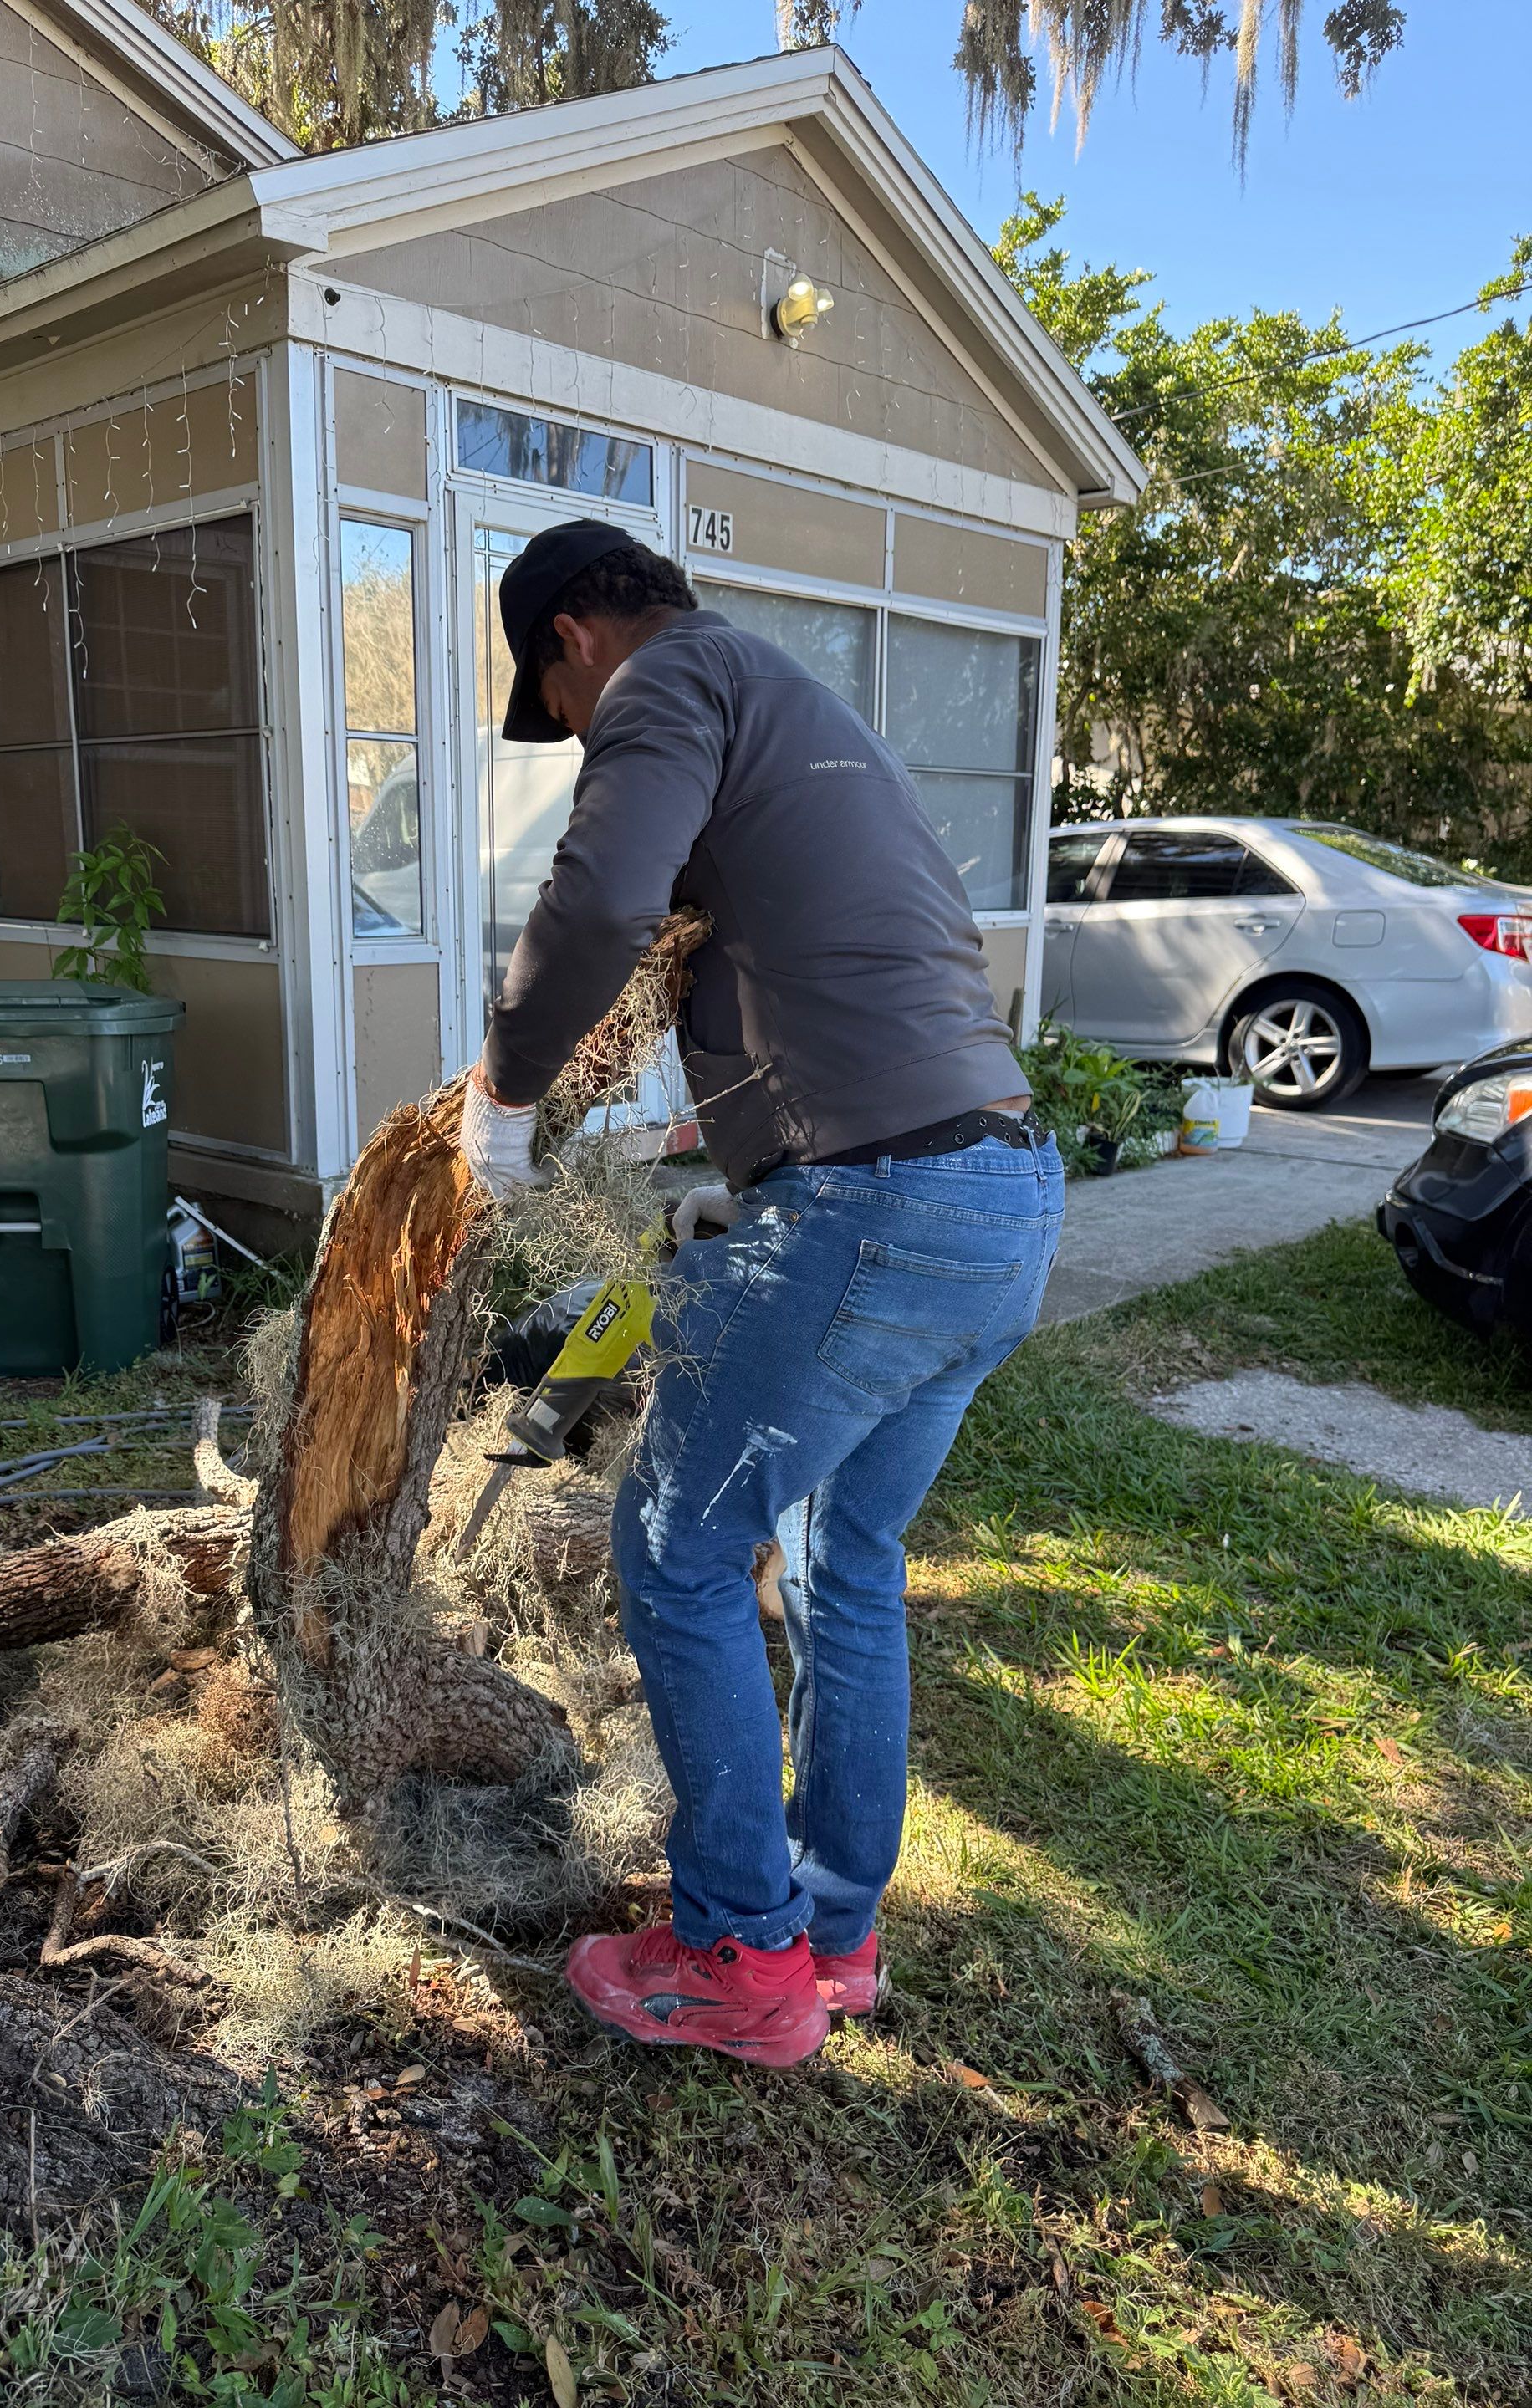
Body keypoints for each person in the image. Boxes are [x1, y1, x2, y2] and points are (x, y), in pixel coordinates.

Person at [460, 519, 1063, 2069]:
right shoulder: (809, 710)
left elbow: (600, 907)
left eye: (557, 696)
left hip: (872, 1207)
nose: (575, 726)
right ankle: (838, 1932)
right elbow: (838, 954)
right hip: (999, 1192)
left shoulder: (670, 680)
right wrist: (753, 1138)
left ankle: (739, 1955)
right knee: (845, 1555)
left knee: (673, 1546)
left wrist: (507, 1093)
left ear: (579, 632)